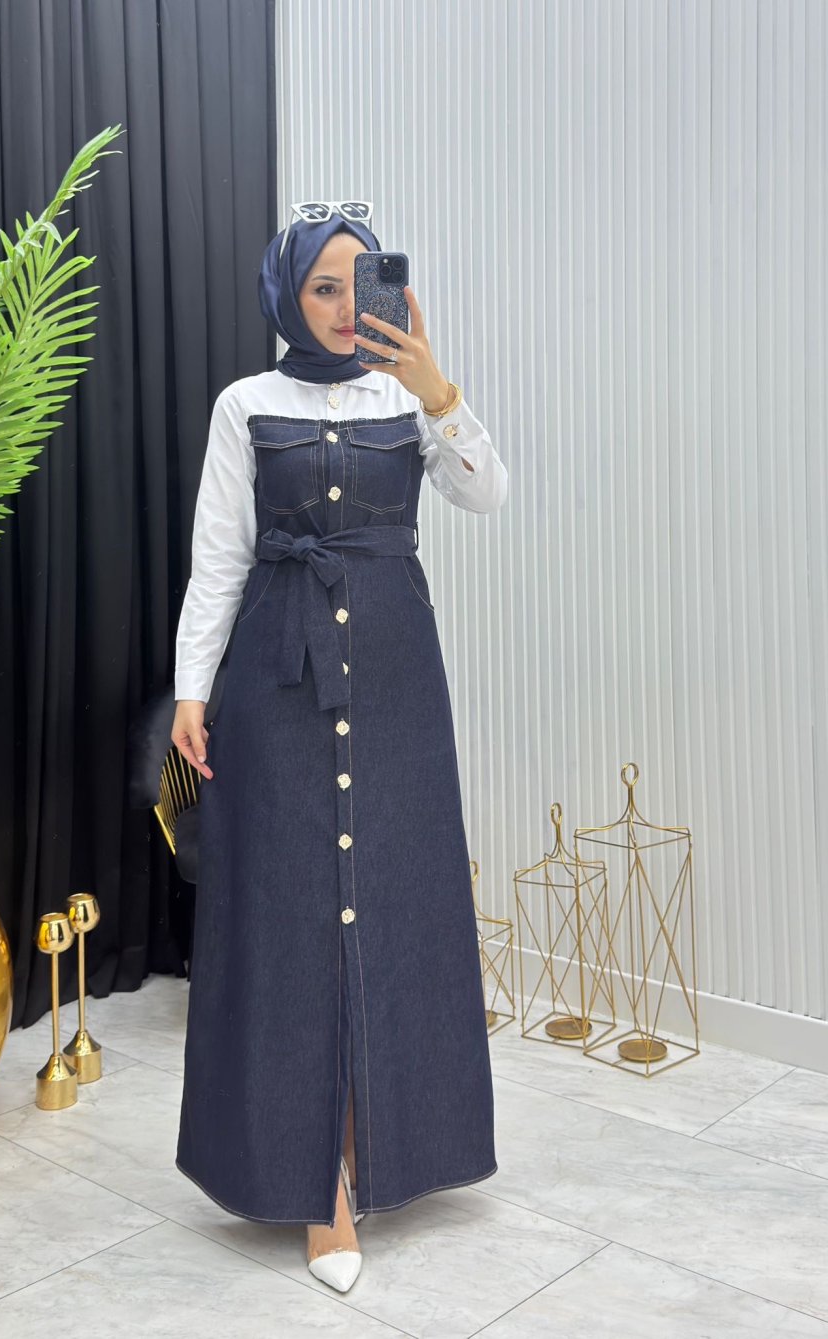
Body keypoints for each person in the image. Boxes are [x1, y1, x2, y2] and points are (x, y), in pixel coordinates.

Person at [171, 203, 508, 1293]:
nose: (342, 306)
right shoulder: (245, 404)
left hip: (397, 678)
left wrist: (438, 390)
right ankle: (314, 1182)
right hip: (277, 674)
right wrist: (191, 687)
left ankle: (382, 1144)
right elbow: (219, 557)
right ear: (287, 294)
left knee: (395, 906)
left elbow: (486, 494)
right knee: (287, 915)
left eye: (359, 285)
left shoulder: (405, 398)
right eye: (323, 286)